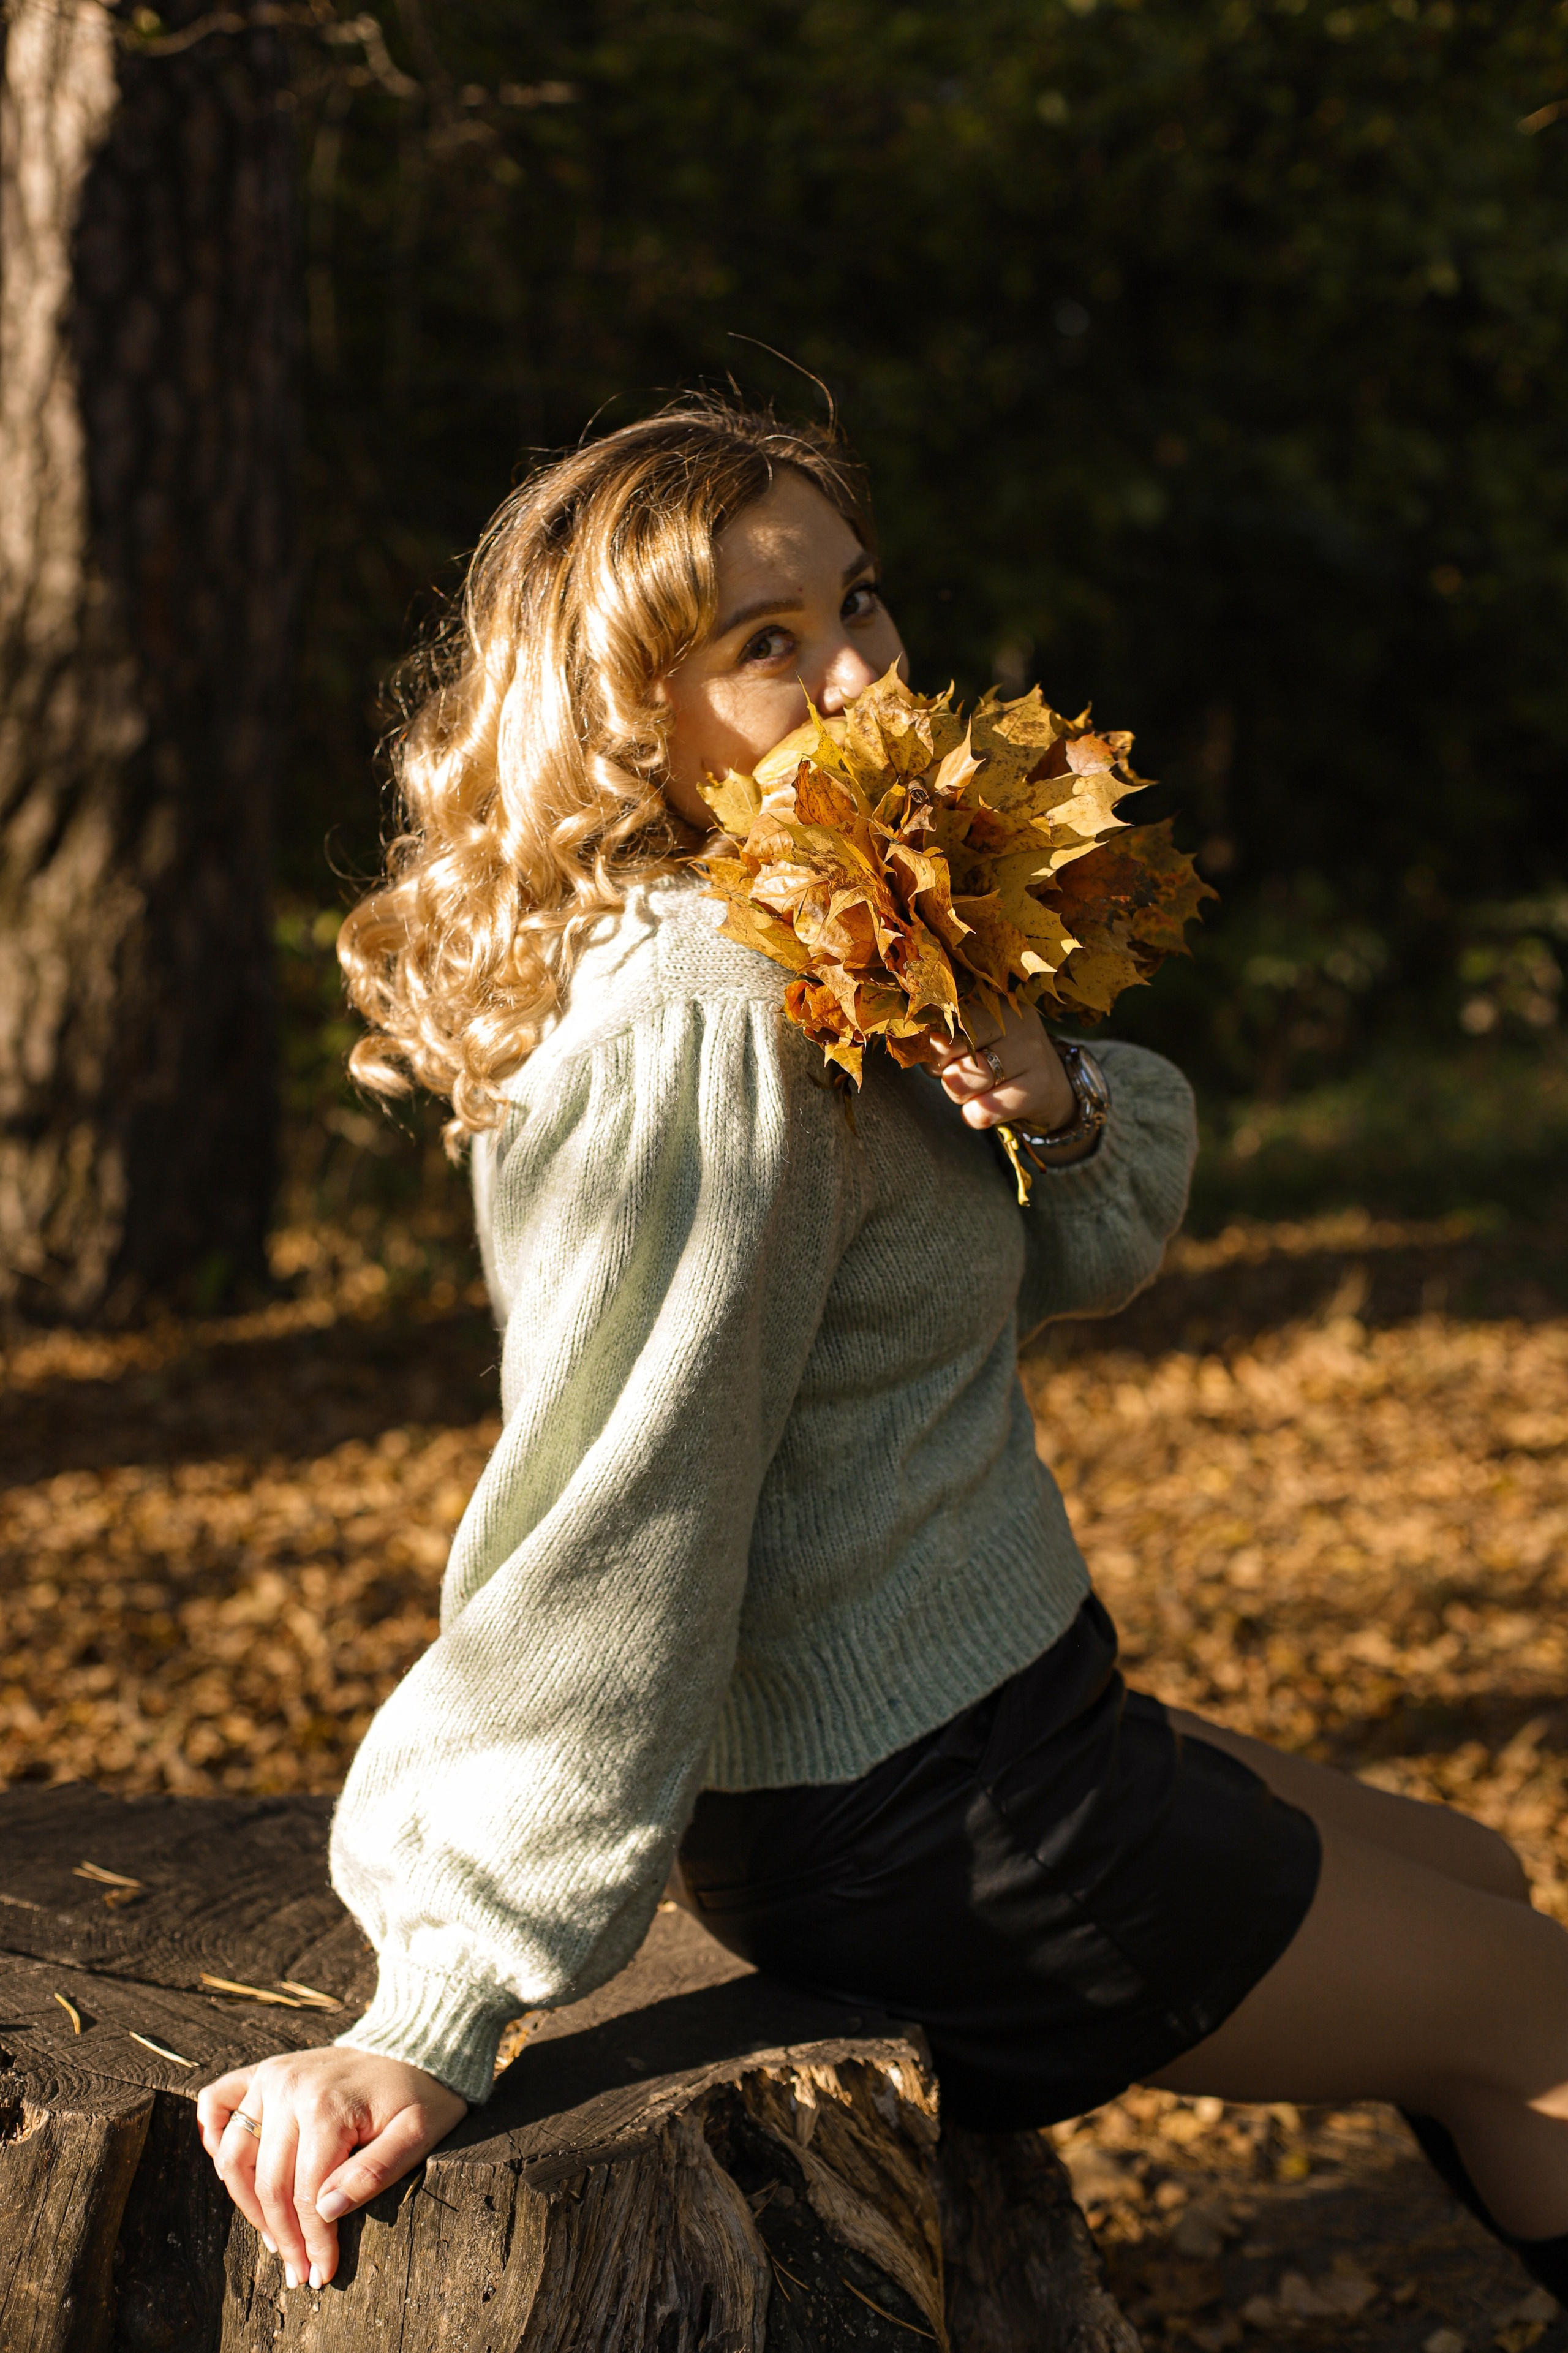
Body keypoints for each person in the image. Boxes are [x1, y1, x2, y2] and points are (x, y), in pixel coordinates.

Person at [198, 398, 1568, 2299]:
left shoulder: (826, 912)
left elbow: (1085, 1251)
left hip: (1017, 1710)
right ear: (628, 714)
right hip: (928, 1820)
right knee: (1543, 2019)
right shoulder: (712, 1018)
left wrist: (1049, 1092)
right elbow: (620, 1505)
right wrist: (446, 1991)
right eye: (768, 643)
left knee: (1479, 1873)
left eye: (859, 601)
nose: (858, 674)